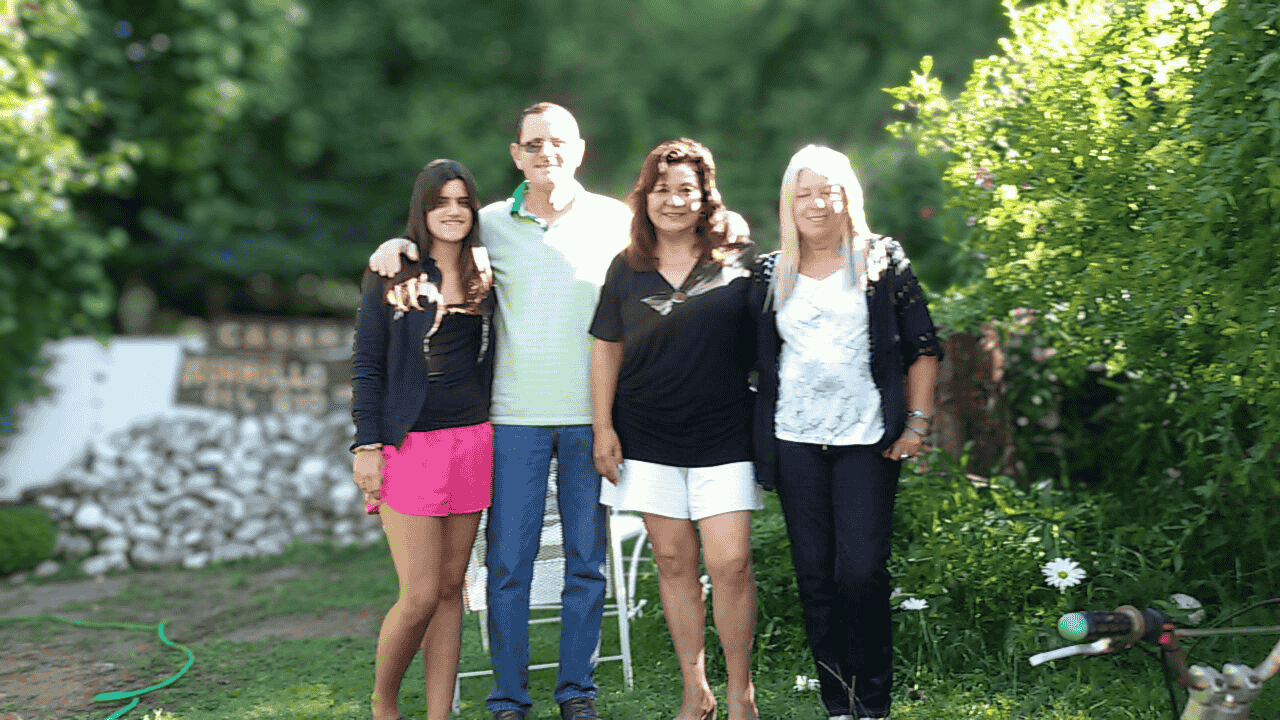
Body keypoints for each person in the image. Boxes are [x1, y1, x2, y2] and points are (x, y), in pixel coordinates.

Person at [366, 103, 632, 720]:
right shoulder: (489, 225)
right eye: (534, 145)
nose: (547, 154)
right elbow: (436, 240)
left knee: (586, 562)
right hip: (510, 421)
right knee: (507, 565)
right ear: (516, 155)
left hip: (590, 419)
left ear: (580, 149)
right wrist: (395, 244)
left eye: (558, 143)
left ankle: (577, 693)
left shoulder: (613, 221)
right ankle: (509, 697)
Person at [748, 145, 942, 720]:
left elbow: (923, 348)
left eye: (826, 190)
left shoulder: (882, 261)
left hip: (868, 441)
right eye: (802, 192)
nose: (815, 202)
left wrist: (918, 425)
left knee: (861, 572)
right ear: (788, 201)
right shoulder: (768, 272)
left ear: (846, 195)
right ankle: (839, 704)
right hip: (796, 442)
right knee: (816, 578)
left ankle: (874, 705)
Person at [591, 139, 761, 720]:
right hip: (648, 435)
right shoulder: (626, 267)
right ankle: (697, 689)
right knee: (672, 562)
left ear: (704, 195)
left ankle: (741, 691)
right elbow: (605, 350)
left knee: (731, 561)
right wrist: (602, 429)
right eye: (662, 190)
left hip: (726, 436)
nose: (673, 200)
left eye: (686, 189)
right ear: (645, 197)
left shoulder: (738, 260)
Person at [351, 159, 497, 720]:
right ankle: (384, 706)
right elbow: (367, 364)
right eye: (442, 202)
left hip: (471, 442)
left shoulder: (488, 271)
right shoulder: (392, 272)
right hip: (408, 445)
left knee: (451, 589)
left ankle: (441, 713)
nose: (454, 211)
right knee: (416, 595)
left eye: (463, 201)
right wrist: (366, 445)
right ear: (424, 209)